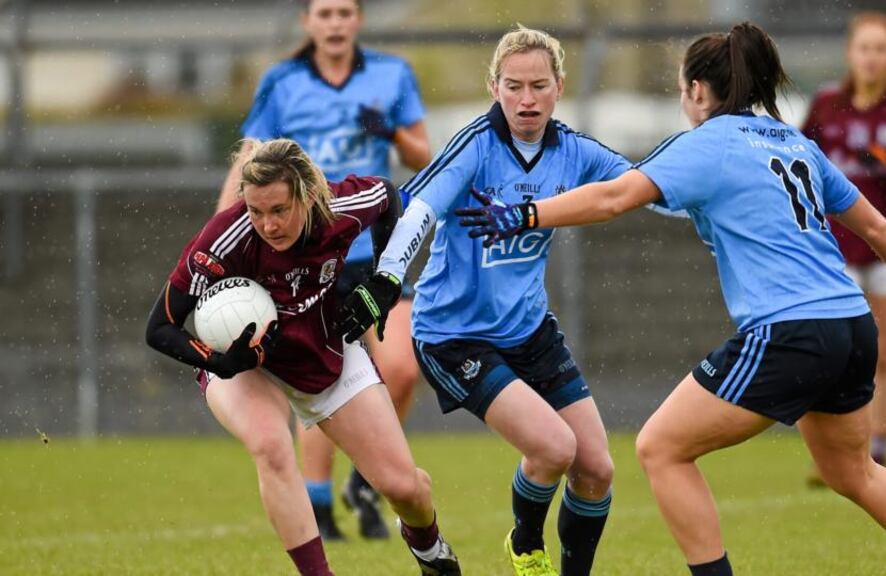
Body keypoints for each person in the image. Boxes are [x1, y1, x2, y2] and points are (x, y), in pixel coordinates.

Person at [457, 21, 886, 576]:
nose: (683, 100)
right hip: (851, 324)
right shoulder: (794, 141)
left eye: (683, 89)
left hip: (791, 331)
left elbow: (614, 198)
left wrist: (525, 213)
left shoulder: (709, 143)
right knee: (855, 473)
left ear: (699, 92)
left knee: (660, 448)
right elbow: (874, 225)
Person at [336, 25, 626, 576]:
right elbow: (420, 208)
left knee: (597, 469)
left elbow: (641, 185)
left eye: (539, 85)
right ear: (494, 86)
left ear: (559, 86)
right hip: (454, 337)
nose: (526, 99)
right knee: (553, 450)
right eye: (514, 86)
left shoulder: (573, 151)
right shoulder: (476, 146)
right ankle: (525, 543)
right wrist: (387, 278)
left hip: (530, 330)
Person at [147, 139, 460, 576]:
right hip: (246, 365)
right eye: (256, 211)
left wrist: (382, 282)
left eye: (279, 210)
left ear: (309, 196)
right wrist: (217, 361)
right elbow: (159, 328)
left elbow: (390, 197)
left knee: (404, 487)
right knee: (271, 444)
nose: (267, 225)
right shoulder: (223, 239)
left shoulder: (342, 205)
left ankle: (429, 550)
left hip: (322, 346)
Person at [216, 0, 431, 540]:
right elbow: (249, 159)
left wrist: (389, 132)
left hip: (373, 253)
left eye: (344, 12)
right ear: (307, 23)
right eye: (324, 13)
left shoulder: (390, 74)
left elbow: (421, 156)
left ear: (358, 20)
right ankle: (318, 503)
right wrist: (219, 236)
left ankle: (363, 479)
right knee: (322, 374)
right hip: (305, 259)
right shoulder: (283, 82)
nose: (335, 23)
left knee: (402, 367)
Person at [803, 11, 886, 469]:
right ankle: (843, 446)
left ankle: (877, 448)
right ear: (850, 53)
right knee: (836, 352)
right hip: (834, 250)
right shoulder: (825, 104)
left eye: (881, 49)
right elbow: (801, 166)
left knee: (882, 353)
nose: (872, 58)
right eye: (864, 47)